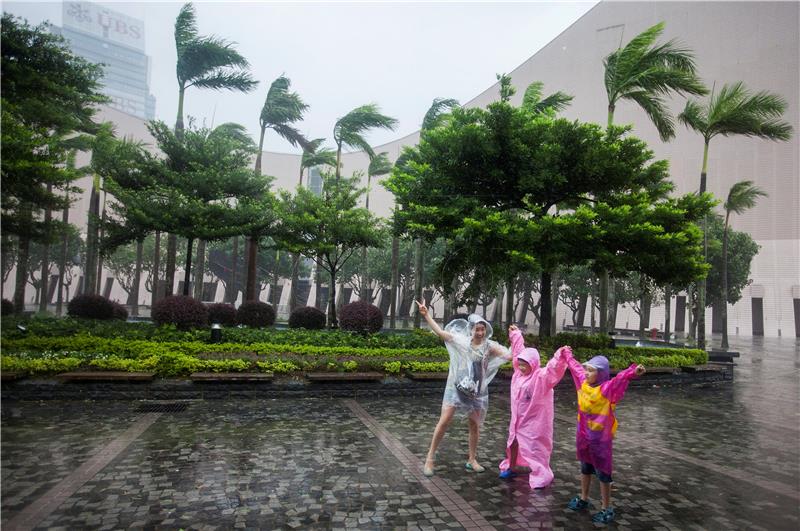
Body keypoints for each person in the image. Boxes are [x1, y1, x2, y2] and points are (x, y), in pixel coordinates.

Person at [416, 300, 510, 477]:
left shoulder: (489, 346)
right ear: (471, 330)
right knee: (444, 421)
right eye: (477, 329)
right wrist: (426, 315)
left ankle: (472, 459)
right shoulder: (462, 342)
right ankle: (430, 458)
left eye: (483, 329)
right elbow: (441, 333)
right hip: (457, 388)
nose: (480, 332)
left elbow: (509, 355)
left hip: (477, 393)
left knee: (474, 425)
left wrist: (517, 338)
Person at [564, 354, 646, 525]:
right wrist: (566, 354)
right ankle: (584, 497)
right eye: (587, 369)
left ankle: (606, 508)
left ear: (601, 374)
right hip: (584, 438)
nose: (586, 373)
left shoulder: (607, 389)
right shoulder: (583, 383)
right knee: (585, 469)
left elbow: (620, 379)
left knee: (603, 474)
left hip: (600, 442)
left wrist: (634, 372)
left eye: (591, 370)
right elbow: (575, 367)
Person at [498, 325, 570, 489]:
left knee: (535, 448)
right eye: (520, 364)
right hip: (517, 421)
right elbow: (518, 351)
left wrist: (560, 355)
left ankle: (541, 474)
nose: (522, 367)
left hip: (534, 424)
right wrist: (516, 334)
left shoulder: (540, 378)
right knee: (513, 443)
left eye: (525, 365)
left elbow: (553, 370)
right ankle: (512, 466)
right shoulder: (518, 374)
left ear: (534, 363)